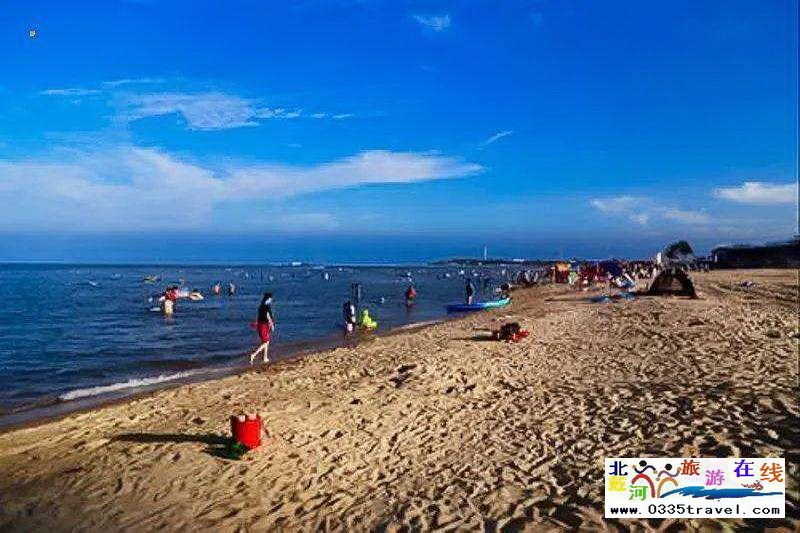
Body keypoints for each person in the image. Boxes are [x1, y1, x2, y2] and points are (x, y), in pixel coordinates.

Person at [249, 292, 274, 364]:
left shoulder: (261, 306)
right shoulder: (267, 307)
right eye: (270, 299)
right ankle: (254, 355)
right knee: (266, 342)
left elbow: (260, 317)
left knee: (265, 342)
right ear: (268, 299)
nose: (271, 300)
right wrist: (272, 325)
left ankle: (265, 357)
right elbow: (268, 316)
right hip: (264, 326)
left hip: (260, 325)